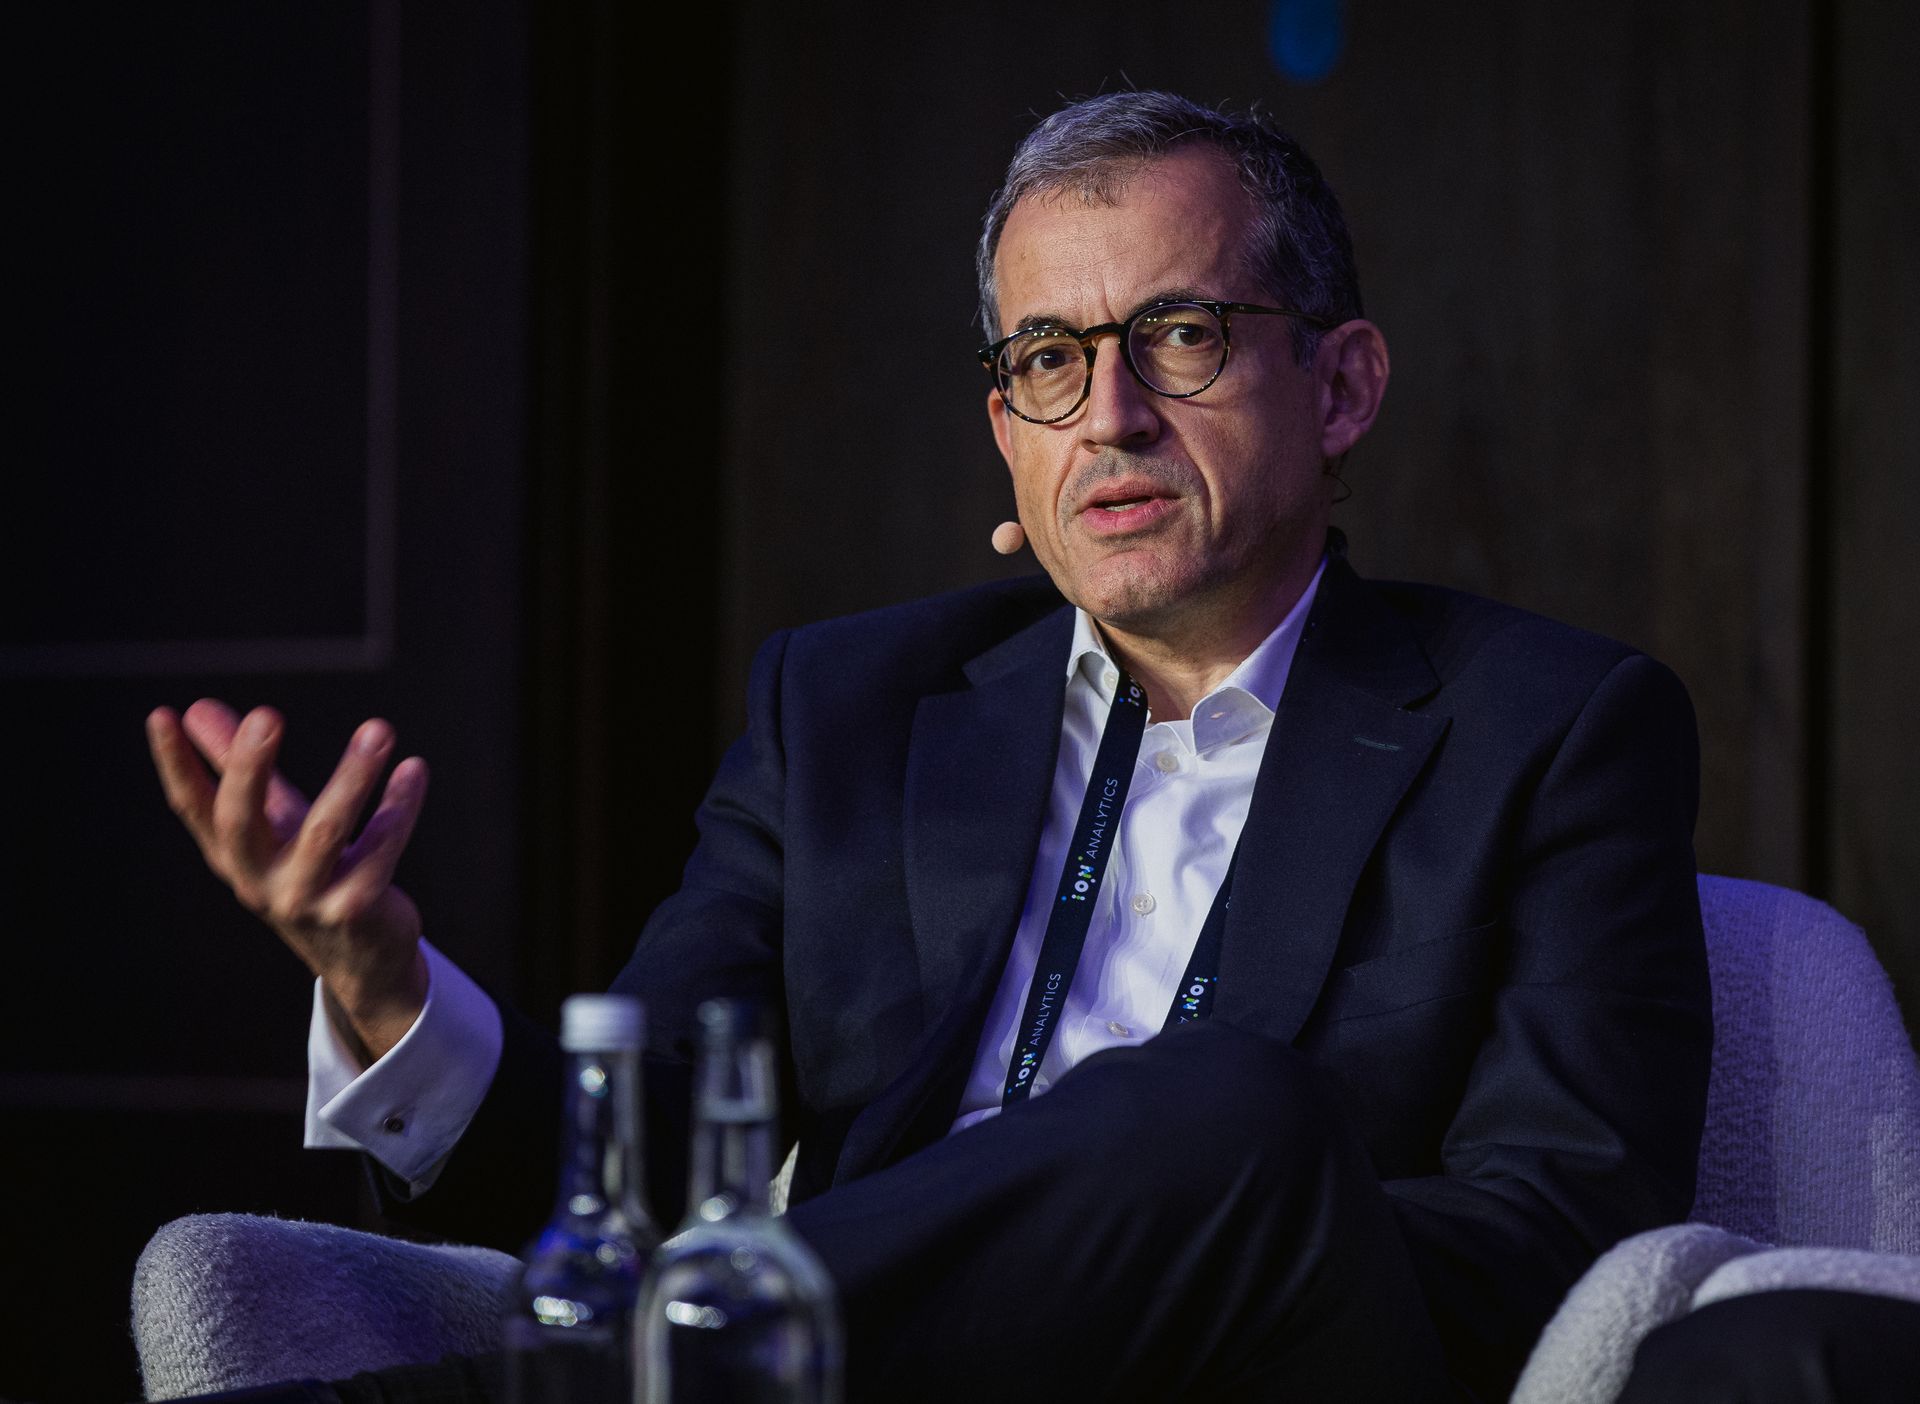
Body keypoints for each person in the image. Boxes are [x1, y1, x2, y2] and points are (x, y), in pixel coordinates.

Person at [147, 92, 1711, 1403]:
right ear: (1008, 438)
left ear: (1343, 384)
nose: (1110, 416)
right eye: (1047, 359)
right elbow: (618, 1180)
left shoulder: (1552, 728)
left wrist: (1167, 1227)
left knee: (1227, 1110)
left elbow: (1561, 1226)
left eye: (1179, 335)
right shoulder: (846, 713)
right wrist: (381, 987)